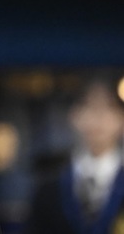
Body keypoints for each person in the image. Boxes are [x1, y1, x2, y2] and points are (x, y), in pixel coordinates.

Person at [25, 75, 124, 234]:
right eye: (88, 106)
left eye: (108, 108)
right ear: (74, 116)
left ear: (121, 119)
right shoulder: (49, 184)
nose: (97, 118)